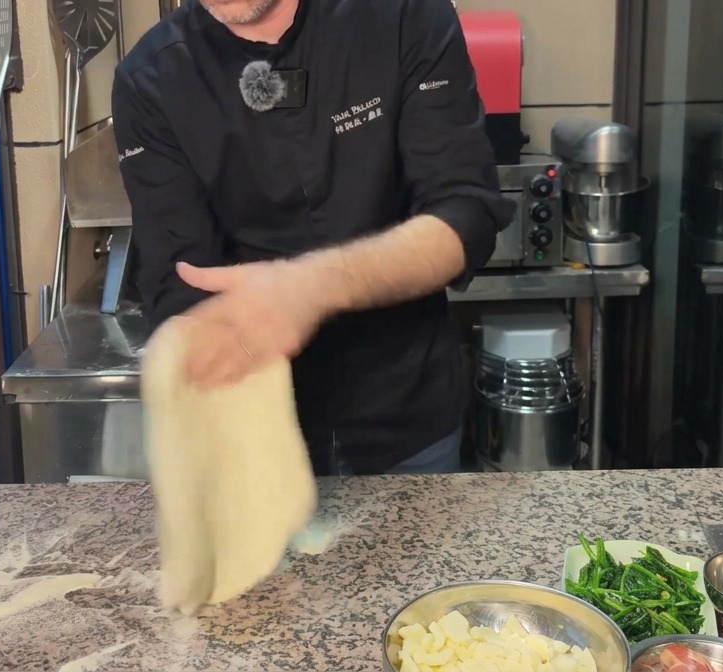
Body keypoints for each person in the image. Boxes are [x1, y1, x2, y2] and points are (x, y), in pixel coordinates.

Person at [112, 0, 514, 476]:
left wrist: (311, 287)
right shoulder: (151, 79)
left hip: (409, 420)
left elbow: (464, 212)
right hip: (259, 442)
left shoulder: (406, 15)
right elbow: (178, 278)